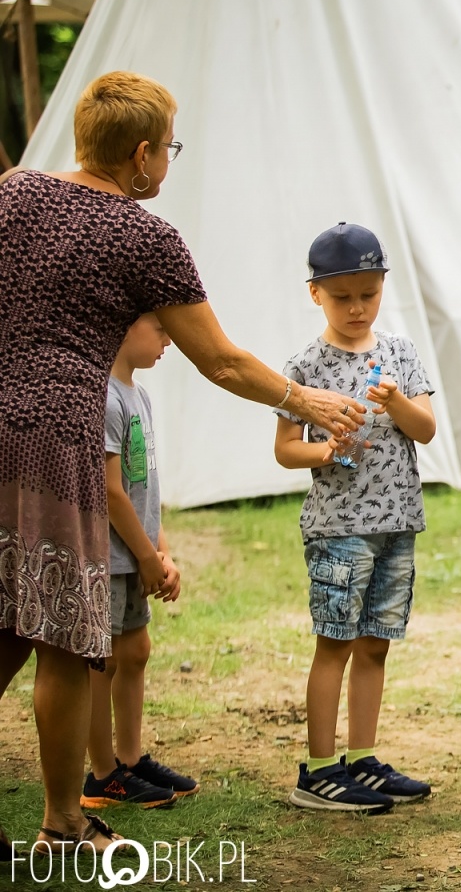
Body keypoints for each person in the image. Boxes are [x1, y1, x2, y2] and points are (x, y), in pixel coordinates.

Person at [0, 71, 361, 856]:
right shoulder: (145, 236)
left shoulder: (13, 195)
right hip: (58, 437)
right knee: (61, 638)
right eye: (170, 148)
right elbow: (222, 362)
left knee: (2, 626)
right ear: (140, 156)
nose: (169, 161)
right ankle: (62, 822)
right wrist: (310, 403)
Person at [273, 223, 437, 813]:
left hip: (397, 523)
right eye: (343, 297)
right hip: (339, 528)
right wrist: (326, 451)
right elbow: (285, 448)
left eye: (368, 294)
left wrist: (395, 401)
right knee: (334, 645)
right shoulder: (303, 365)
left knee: (375, 645)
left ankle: (362, 760)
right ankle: (318, 769)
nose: (357, 307)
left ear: (382, 287)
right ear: (315, 293)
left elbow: (426, 429)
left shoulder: (400, 353)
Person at [82, 313, 197, 811]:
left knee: (136, 653)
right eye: (161, 328)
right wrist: (147, 557)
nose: (169, 339)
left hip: (138, 555)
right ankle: (101, 774)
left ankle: (129, 760)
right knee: (100, 663)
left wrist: (161, 550)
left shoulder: (139, 396)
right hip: (109, 558)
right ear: (126, 326)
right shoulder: (103, 398)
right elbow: (109, 492)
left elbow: (145, 486)